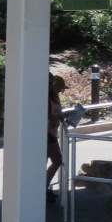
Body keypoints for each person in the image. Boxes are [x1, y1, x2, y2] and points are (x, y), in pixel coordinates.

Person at [46, 72, 66, 201]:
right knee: (56, 160)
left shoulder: (54, 98)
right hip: (46, 135)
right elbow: (48, 116)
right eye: (59, 88)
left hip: (51, 133)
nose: (60, 91)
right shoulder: (46, 99)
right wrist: (62, 116)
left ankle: (43, 187)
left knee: (56, 161)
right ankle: (41, 188)